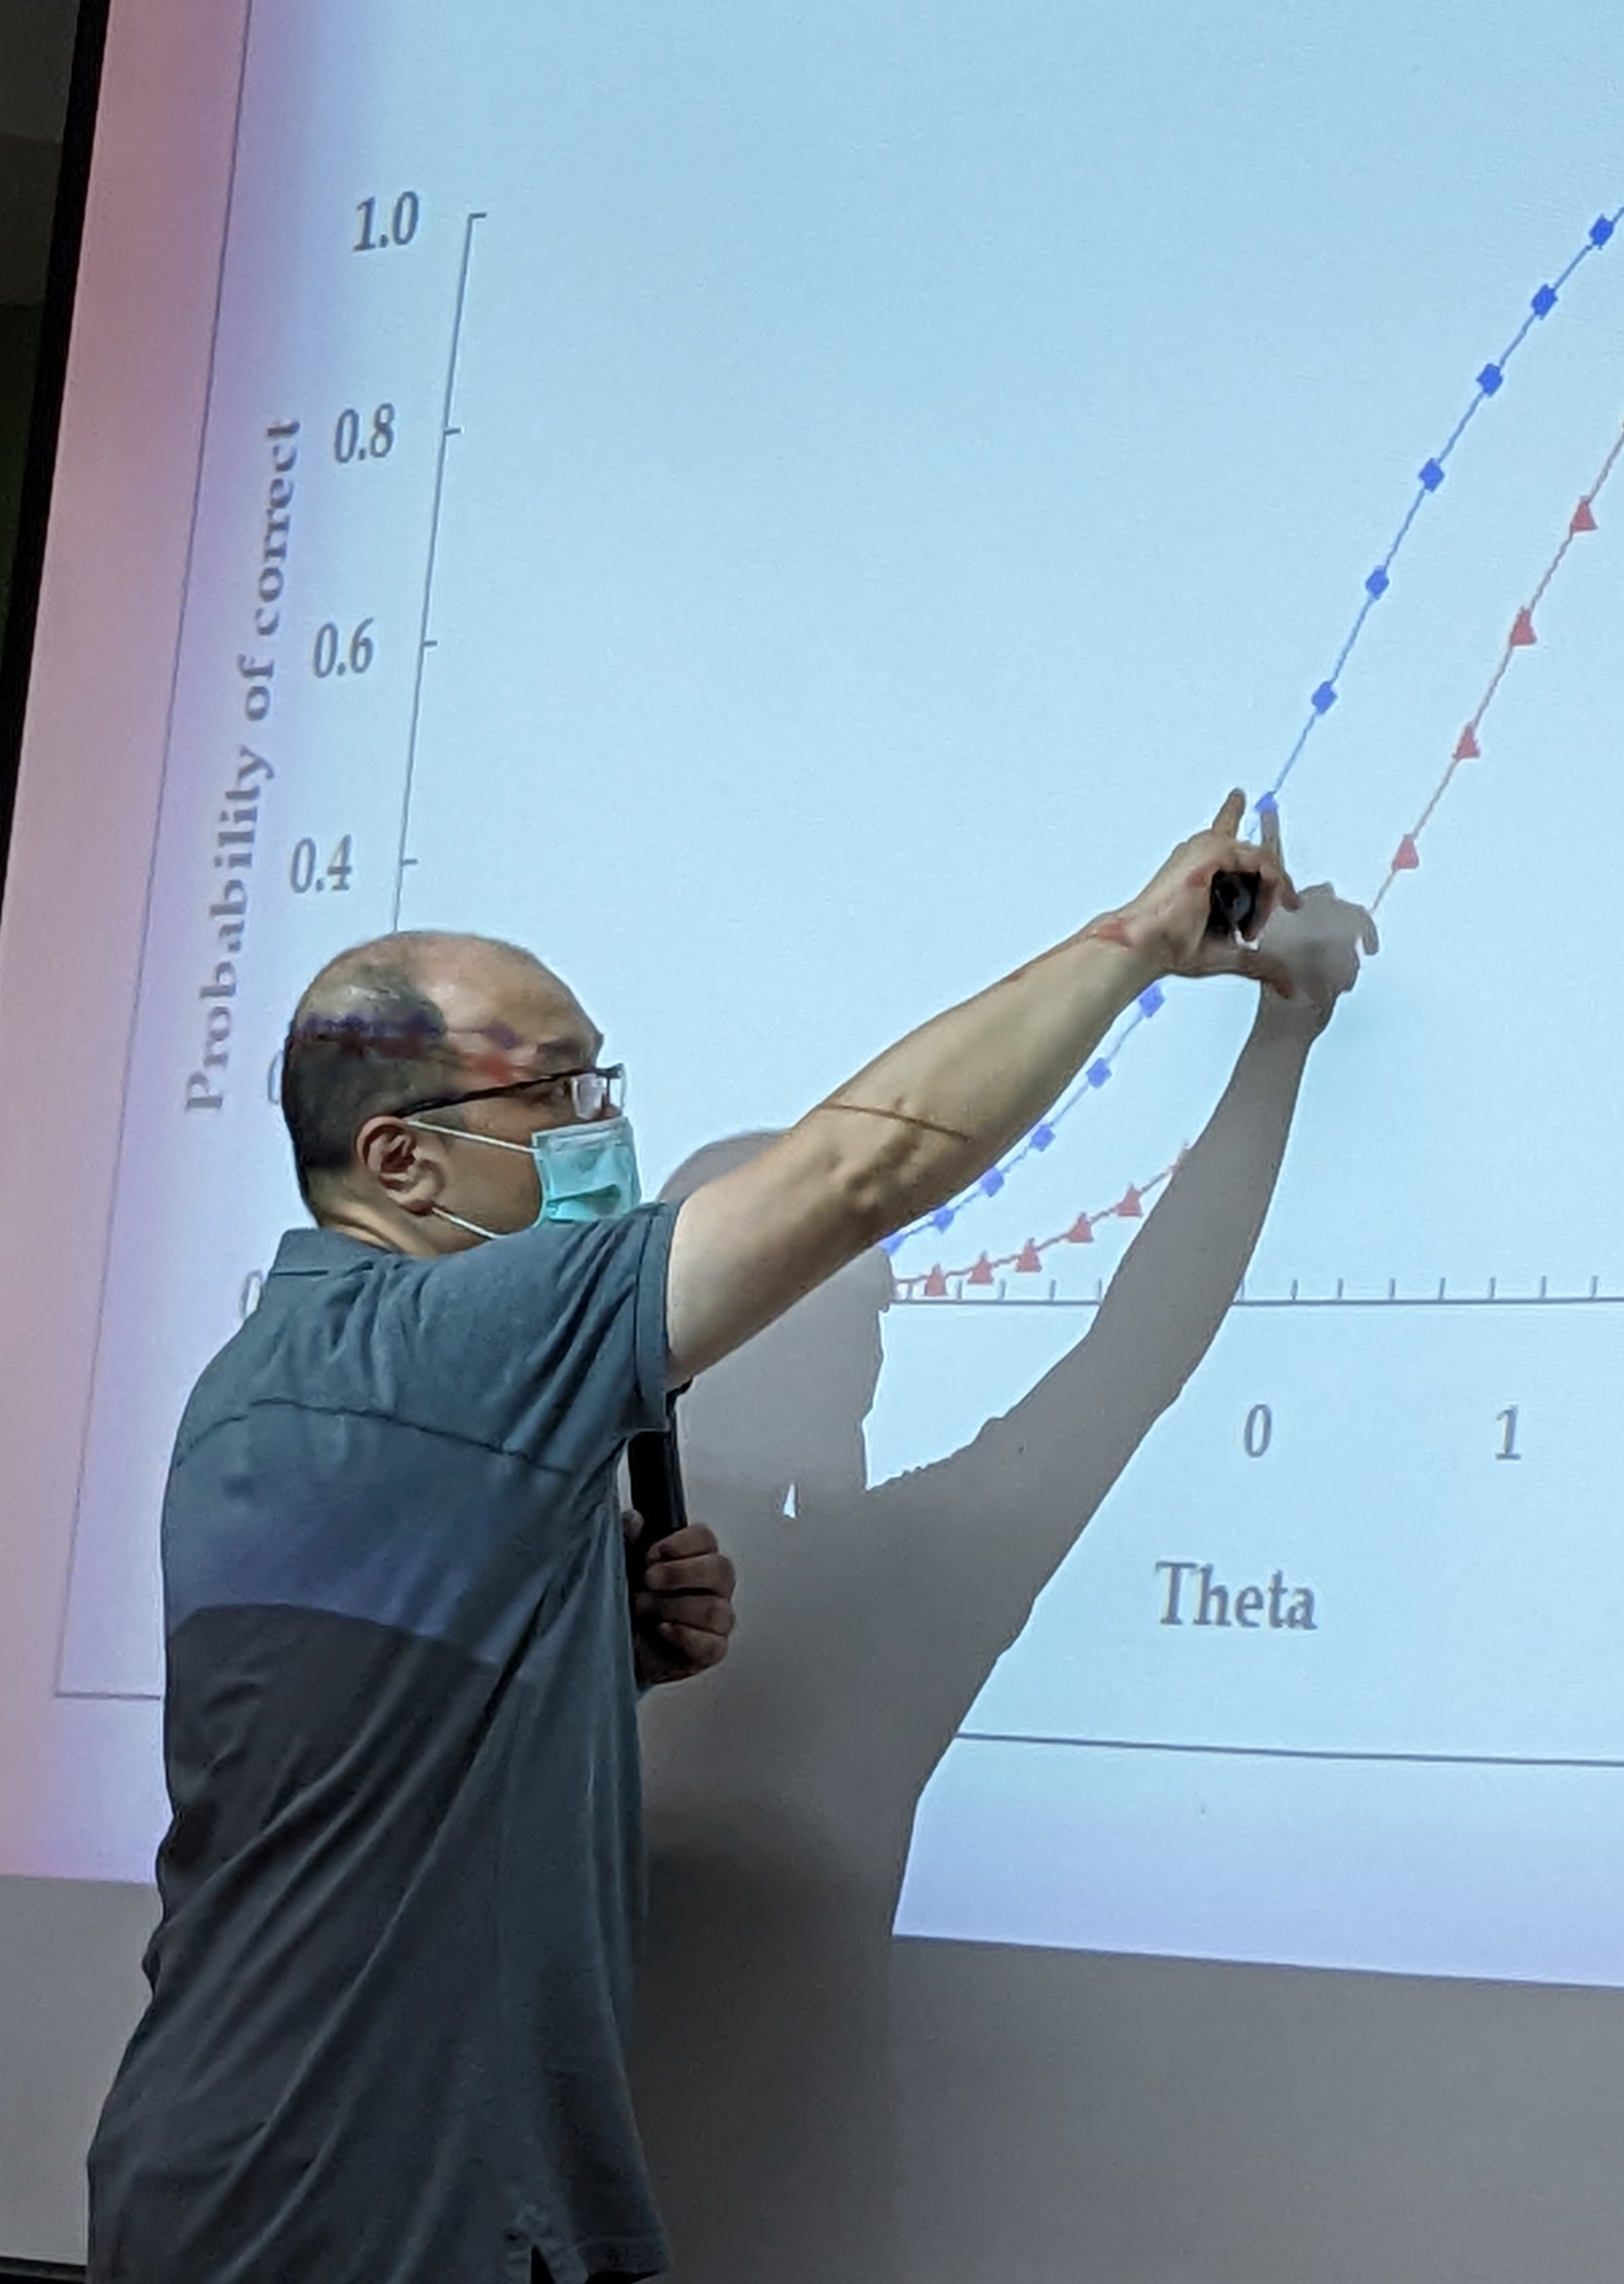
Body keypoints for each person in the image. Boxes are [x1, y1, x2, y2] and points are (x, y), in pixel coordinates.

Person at [85, 796, 1315, 2284]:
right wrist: (1137, 944)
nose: (603, 1130)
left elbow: (357, 1733)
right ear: (402, 1163)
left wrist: (586, 1652)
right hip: (347, 2214)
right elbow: (859, 1175)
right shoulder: (446, 1342)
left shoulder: (278, 1380)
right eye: (557, 1090)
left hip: (275, 2182)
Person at [627, 876, 1375, 2284]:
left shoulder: (888, 1581)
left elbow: (1143, 1341)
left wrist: (1281, 1044)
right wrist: (1281, 1042)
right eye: (823, 1303)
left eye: (865, 1305)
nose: (862, 1338)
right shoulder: (541, 1567)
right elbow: (1141, 1347)